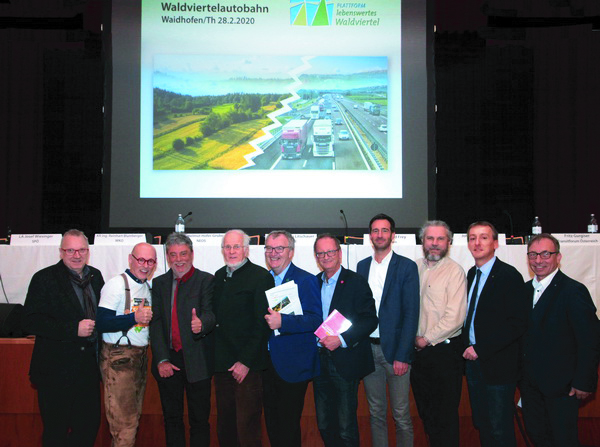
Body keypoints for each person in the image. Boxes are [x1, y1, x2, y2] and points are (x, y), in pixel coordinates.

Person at [22, 229, 104, 447]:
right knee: (55, 433)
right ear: (61, 252)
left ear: (88, 251)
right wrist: (72, 329)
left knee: (88, 429)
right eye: (70, 250)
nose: (76, 255)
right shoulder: (44, 278)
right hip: (55, 373)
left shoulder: (96, 277)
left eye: (81, 250)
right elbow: (31, 321)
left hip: (88, 372)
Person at [520, 233, 600, 447]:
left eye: (546, 254)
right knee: (537, 435)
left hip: (562, 387)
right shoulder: (524, 291)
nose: (538, 260)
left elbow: (590, 339)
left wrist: (584, 381)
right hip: (530, 387)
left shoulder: (573, 291)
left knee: (564, 440)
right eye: (533, 255)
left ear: (558, 257)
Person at [463, 221, 528, 447]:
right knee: (482, 423)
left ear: (495, 243)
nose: (477, 242)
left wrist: (480, 349)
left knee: (500, 429)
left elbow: (516, 324)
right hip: (474, 365)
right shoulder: (471, 274)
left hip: (498, 366)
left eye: (483, 237)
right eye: (472, 237)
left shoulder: (508, 276)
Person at [356, 214, 419, 447]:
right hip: (368, 351)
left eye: (384, 230)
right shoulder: (362, 267)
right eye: (375, 230)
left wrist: (404, 355)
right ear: (370, 236)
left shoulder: (406, 266)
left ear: (393, 235)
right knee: (376, 414)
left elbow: (412, 313)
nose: (379, 235)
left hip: (395, 354)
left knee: (401, 415)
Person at [150, 233, 215, 447]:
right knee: (172, 419)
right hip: (169, 360)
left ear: (192, 254)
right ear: (167, 257)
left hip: (198, 361)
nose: (179, 259)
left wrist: (202, 324)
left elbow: (210, 313)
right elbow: (156, 323)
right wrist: (161, 359)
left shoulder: (206, 280)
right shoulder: (159, 283)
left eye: (183, 254)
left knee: (199, 421)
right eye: (173, 254)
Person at [313, 233, 378, 447]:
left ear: (339, 253)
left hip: (344, 361)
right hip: (319, 362)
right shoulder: (313, 283)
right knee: (324, 423)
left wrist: (340, 339)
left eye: (330, 251)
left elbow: (370, 320)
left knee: (345, 426)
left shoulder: (355, 281)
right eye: (321, 253)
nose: (326, 256)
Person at [213, 229, 274, 447]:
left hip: (247, 367)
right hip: (222, 365)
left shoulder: (261, 277)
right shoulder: (219, 276)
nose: (231, 251)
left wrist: (245, 362)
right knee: (225, 426)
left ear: (246, 250)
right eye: (227, 247)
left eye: (236, 246)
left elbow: (262, 324)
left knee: (247, 427)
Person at [262, 230, 322, 447]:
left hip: (293, 366)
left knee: (288, 427)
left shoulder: (305, 280)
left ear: (291, 252)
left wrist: (283, 322)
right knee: (272, 424)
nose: (273, 253)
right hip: (266, 365)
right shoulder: (262, 280)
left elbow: (315, 320)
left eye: (279, 248)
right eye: (269, 248)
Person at [410, 220, 467, 447]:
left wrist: (425, 339)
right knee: (426, 414)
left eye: (440, 239)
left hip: (443, 353)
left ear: (449, 243)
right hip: (418, 355)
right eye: (430, 238)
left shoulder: (455, 272)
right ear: (422, 241)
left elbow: (454, 317)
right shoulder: (413, 267)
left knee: (445, 418)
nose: (434, 244)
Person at [96, 242, 156, 447]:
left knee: (131, 422)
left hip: (139, 358)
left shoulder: (147, 286)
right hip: (119, 359)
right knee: (125, 425)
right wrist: (133, 318)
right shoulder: (116, 284)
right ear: (130, 259)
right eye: (141, 260)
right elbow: (102, 322)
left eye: (150, 261)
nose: (145, 265)